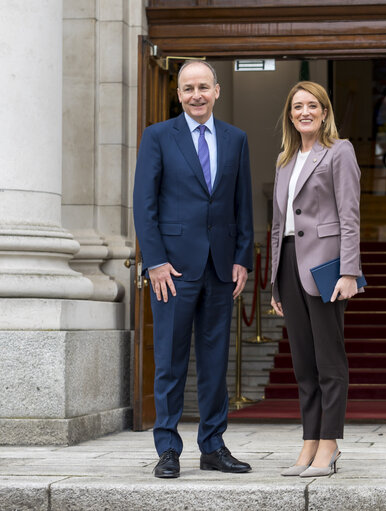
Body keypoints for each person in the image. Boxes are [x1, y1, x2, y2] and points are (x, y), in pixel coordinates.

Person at [133, 60, 254, 479]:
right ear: (179, 94)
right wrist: (155, 262)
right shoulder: (157, 136)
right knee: (169, 361)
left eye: (203, 86)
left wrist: (243, 258)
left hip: (221, 268)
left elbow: (242, 205)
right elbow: (144, 205)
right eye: (188, 88)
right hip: (172, 271)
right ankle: (167, 448)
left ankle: (213, 446)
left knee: (215, 361)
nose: (196, 95)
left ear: (217, 91)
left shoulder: (235, 139)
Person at [269, 81, 362, 478]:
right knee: (303, 362)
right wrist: (274, 282)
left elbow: (350, 215)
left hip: (325, 266)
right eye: (296, 107)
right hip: (289, 263)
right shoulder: (284, 160)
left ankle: (330, 441)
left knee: (329, 359)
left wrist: (349, 270)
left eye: (312, 106)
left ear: (324, 111)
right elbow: (277, 226)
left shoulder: (339, 152)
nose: (304, 112)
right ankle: (309, 439)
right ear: (290, 115)